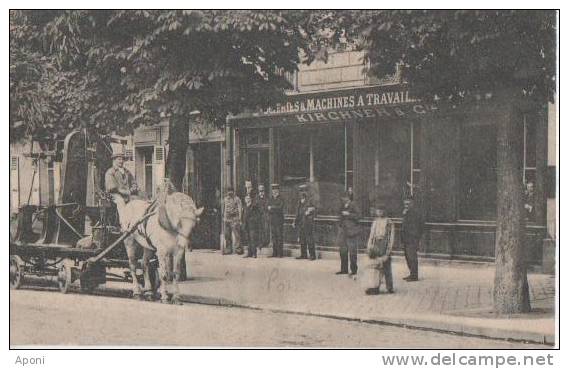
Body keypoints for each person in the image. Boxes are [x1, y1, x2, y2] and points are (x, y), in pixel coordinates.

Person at [364, 206, 395, 295]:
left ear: (385, 211)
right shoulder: (375, 222)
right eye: (378, 210)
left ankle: (389, 287)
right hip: (376, 244)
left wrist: (389, 250)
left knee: (386, 266)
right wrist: (369, 246)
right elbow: (372, 235)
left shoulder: (389, 222)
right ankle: (375, 286)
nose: (379, 212)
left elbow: (391, 237)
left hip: (384, 244)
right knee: (376, 267)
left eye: (381, 210)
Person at [104, 150, 138, 230]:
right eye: (119, 159)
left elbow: (133, 182)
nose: (121, 161)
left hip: (127, 194)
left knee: (136, 201)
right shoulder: (110, 172)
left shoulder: (127, 172)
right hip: (114, 195)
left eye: (122, 159)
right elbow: (112, 187)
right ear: (114, 160)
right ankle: (124, 225)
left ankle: (135, 223)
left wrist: (133, 187)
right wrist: (126, 192)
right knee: (120, 202)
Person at [401, 197, 425, 282]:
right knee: (407, 256)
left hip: (412, 238)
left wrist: (417, 236)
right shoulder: (406, 212)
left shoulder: (416, 213)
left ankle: (414, 276)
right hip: (406, 238)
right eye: (405, 204)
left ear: (412, 204)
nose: (406, 206)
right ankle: (411, 273)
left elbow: (421, 225)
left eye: (408, 204)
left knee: (412, 257)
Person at [337, 191, 360, 276]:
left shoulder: (353, 205)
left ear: (348, 198)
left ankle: (354, 270)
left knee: (352, 251)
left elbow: (358, 216)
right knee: (343, 250)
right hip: (343, 231)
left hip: (351, 232)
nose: (342, 199)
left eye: (344, 198)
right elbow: (339, 216)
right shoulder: (342, 206)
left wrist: (349, 214)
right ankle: (344, 269)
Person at [293, 185, 316, 260]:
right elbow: (297, 213)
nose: (301, 194)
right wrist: (294, 221)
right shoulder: (299, 202)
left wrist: (309, 211)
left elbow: (314, 208)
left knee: (309, 239)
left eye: (303, 191)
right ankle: (303, 254)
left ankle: (312, 255)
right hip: (301, 223)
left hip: (308, 223)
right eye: (300, 191)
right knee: (302, 239)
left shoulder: (310, 201)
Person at [222, 187, 243, 255]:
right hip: (227, 219)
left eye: (231, 191)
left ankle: (238, 249)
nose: (229, 193)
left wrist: (240, 218)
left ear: (233, 192)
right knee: (227, 235)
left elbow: (240, 209)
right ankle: (228, 249)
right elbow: (224, 209)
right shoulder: (225, 199)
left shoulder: (237, 199)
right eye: (228, 191)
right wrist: (223, 218)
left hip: (235, 219)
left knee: (237, 235)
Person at [268, 184, 285, 257]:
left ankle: (280, 253)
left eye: (276, 190)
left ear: (278, 191)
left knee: (279, 236)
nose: (274, 192)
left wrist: (272, 208)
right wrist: (273, 208)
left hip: (279, 220)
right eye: (273, 190)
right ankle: (274, 253)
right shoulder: (271, 199)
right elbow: (267, 208)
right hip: (272, 220)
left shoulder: (281, 198)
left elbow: (280, 208)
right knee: (274, 237)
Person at [257, 184, 270, 249]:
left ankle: (266, 243)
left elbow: (267, 206)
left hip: (265, 216)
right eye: (260, 191)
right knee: (259, 230)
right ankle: (260, 243)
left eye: (262, 191)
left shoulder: (267, 198)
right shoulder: (256, 198)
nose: (261, 192)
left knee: (265, 229)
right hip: (258, 216)